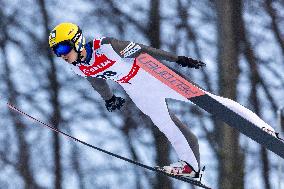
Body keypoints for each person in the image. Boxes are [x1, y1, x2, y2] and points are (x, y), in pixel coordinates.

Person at [48, 22, 278, 180]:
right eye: (56, 51)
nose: (62, 55)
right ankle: (191, 167)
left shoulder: (106, 46)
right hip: (135, 89)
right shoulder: (78, 68)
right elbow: (95, 80)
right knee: (166, 124)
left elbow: (142, 49)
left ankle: (263, 128)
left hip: (151, 75)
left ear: (77, 41)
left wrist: (177, 59)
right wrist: (108, 98)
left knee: (209, 101)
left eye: (63, 47)